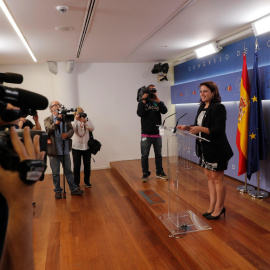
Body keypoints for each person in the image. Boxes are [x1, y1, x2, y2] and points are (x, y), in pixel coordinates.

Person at [177, 81, 233, 220]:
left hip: (217, 149)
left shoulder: (218, 107)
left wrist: (199, 129)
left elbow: (218, 130)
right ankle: (212, 205)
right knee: (209, 177)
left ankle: (219, 208)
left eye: (205, 91)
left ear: (213, 93)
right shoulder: (202, 107)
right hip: (204, 149)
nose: (202, 94)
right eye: (201, 91)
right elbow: (198, 125)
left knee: (217, 179)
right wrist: (187, 127)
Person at [0, 103, 46, 270]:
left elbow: (38, 133)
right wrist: (21, 205)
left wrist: (20, 201)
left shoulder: (29, 123)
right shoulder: (19, 124)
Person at [44, 101, 84, 199]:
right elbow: (48, 130)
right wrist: (56, 123)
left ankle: (73, 189)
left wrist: (67, 135)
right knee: (55, 173)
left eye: (59, 105)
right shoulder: (48, 119)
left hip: (65, 149)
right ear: (51, 109)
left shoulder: (66, 118)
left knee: (68, 171)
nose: (58, 106)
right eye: (55, 105)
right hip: (53, 151)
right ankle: (58, 190)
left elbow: (71, 130)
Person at [137, 84, 168, 182]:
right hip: (146, 134)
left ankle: (159, 172)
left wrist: (158, 101)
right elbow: (139, 113)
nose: (152, 92)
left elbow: (164, 111)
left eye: (154, 90)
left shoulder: (158, 103)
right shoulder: (142, 103)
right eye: (150, 90)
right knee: (144, 155)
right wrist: (143, 100)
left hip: (157, 134)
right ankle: (145, 173)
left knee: (158, 155)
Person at [72, 107, 95, 187]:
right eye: (79, 113)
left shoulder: (87, 119)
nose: (81, 115)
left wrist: (85, 122)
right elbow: (72, 129)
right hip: (76, 147)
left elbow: (92, 129)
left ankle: (87, 181)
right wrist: (76, 120)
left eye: (82, 113)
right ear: (76, 114)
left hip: (87, 147)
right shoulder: (73, 120)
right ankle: (76, 183)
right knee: (76, 166)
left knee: (87, 165)